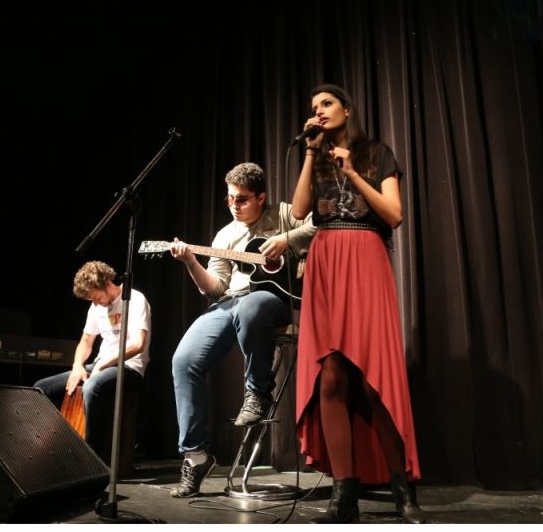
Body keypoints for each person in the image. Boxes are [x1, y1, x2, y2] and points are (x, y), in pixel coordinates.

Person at [291, 84, 425, 524]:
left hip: (365, 258)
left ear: (347, 109)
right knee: (329, 379)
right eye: (314, 108)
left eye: (326, 104)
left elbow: (394, 214)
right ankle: (343, 494)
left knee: (375, 379)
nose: (320, 111)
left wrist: (351, 174)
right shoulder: (316, 155)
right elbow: (298, 211)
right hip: (326, 262)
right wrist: (311, 154)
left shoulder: (376, 153)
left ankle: (403, 489)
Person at [168, 162, 316, 498]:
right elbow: (214, 288)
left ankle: (257, 393)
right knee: (183, 360)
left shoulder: (285, 213)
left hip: (275, 301)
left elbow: (319, 227)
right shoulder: (225, 234)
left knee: (252, 306)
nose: (234, 205)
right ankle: (196, 456)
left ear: (262, 197)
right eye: (230, 199)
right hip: (229, 303)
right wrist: (190, 261)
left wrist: (284, 239)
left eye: (243, 199)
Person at [34, 260, 151, 461]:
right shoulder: (95, 308)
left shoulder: (134, 299)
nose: (95, 303)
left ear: (106, 284)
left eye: (96, 297)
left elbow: (138, 344)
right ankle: (53, 447)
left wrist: (103, 365)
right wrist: (77, 366)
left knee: (91, 387)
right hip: (99, 365)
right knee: (41, 388)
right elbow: (86, 342)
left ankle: (91, 456)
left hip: (129, 366)